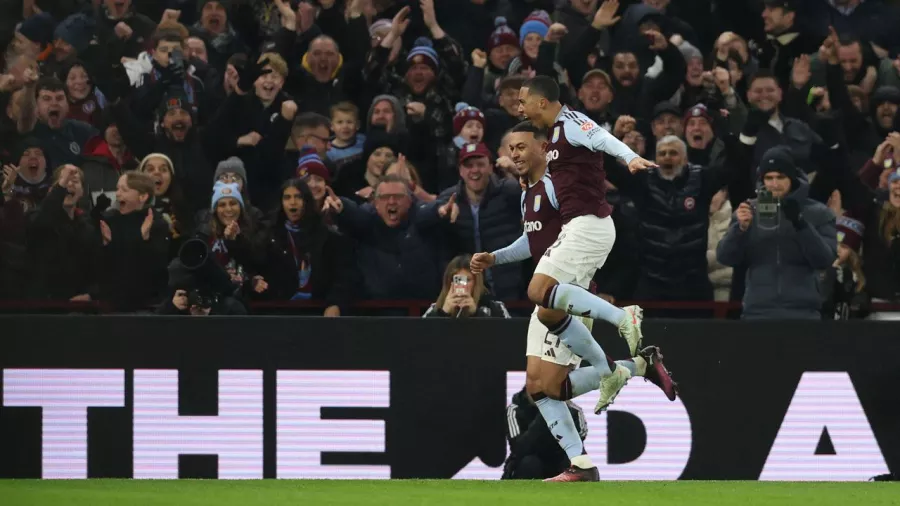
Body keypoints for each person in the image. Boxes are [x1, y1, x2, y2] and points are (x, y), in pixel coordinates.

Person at [471, 122, 676, 482]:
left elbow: (584, 232)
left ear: (542, 147)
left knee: (550, 380)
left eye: (522, 147)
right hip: (547, 291)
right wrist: (495, 257)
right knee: (538, 386)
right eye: (511, 148)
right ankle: (581, 462)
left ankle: (628, 355)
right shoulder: (527, 191)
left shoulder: (555, 184)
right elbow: (532, 242)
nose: (515, 154)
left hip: (564, 294)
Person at [717, 146, 837, 319]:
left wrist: (800, 223)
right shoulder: (748, 211)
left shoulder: (818, 213)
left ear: (792, 178)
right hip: (757, 311)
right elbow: (725, 257)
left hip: (803, 312)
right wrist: (739, 229)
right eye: (769, 177)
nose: (774, 184)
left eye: (780, 177)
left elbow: (824, 259)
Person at [260, 179, 354, 316]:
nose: (293, 202)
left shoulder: (326, 235)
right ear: (281, 203)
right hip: (281, 311)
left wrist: (335, 303)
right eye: (287, 197)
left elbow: (344, 275)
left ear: (307, 201)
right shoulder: (270, 235)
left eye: (298, 197)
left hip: (318, 310)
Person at [99, 171, 171, 311]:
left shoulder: (157, 224)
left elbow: (157, 270)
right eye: (117, 188)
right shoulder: (110, 220)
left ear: (142, 196)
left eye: (124, 190)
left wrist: (142, 240)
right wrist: (106, 245)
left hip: (148, 305)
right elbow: (105, 268)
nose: (117, 194)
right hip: (113, 303)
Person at [423, 254, 509, 318]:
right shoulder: (435, 309)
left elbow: (508, 338)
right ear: (448, 282)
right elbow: (421, 339)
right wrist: (443, 314)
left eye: (467, 280)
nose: (461, 285)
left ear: (476, 282)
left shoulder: (496, 309)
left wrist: (476, 314)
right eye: (456, 280)